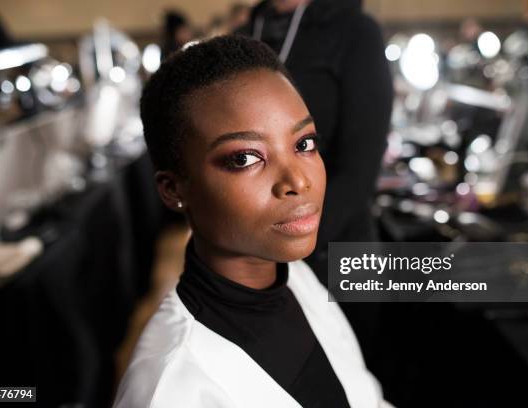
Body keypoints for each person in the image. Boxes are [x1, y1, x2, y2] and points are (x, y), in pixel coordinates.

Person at [113, 35, 389, 407]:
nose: (298, 181)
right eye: (245, 158)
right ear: (173, 188)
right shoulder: (172, 388)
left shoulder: (298, 281)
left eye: (304, 144)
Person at [239, 0, 393, 283]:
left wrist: (287, 244)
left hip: (335, 248)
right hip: (258, 250)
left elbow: (360, 168)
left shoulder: (354, 31)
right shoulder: (244, 34)